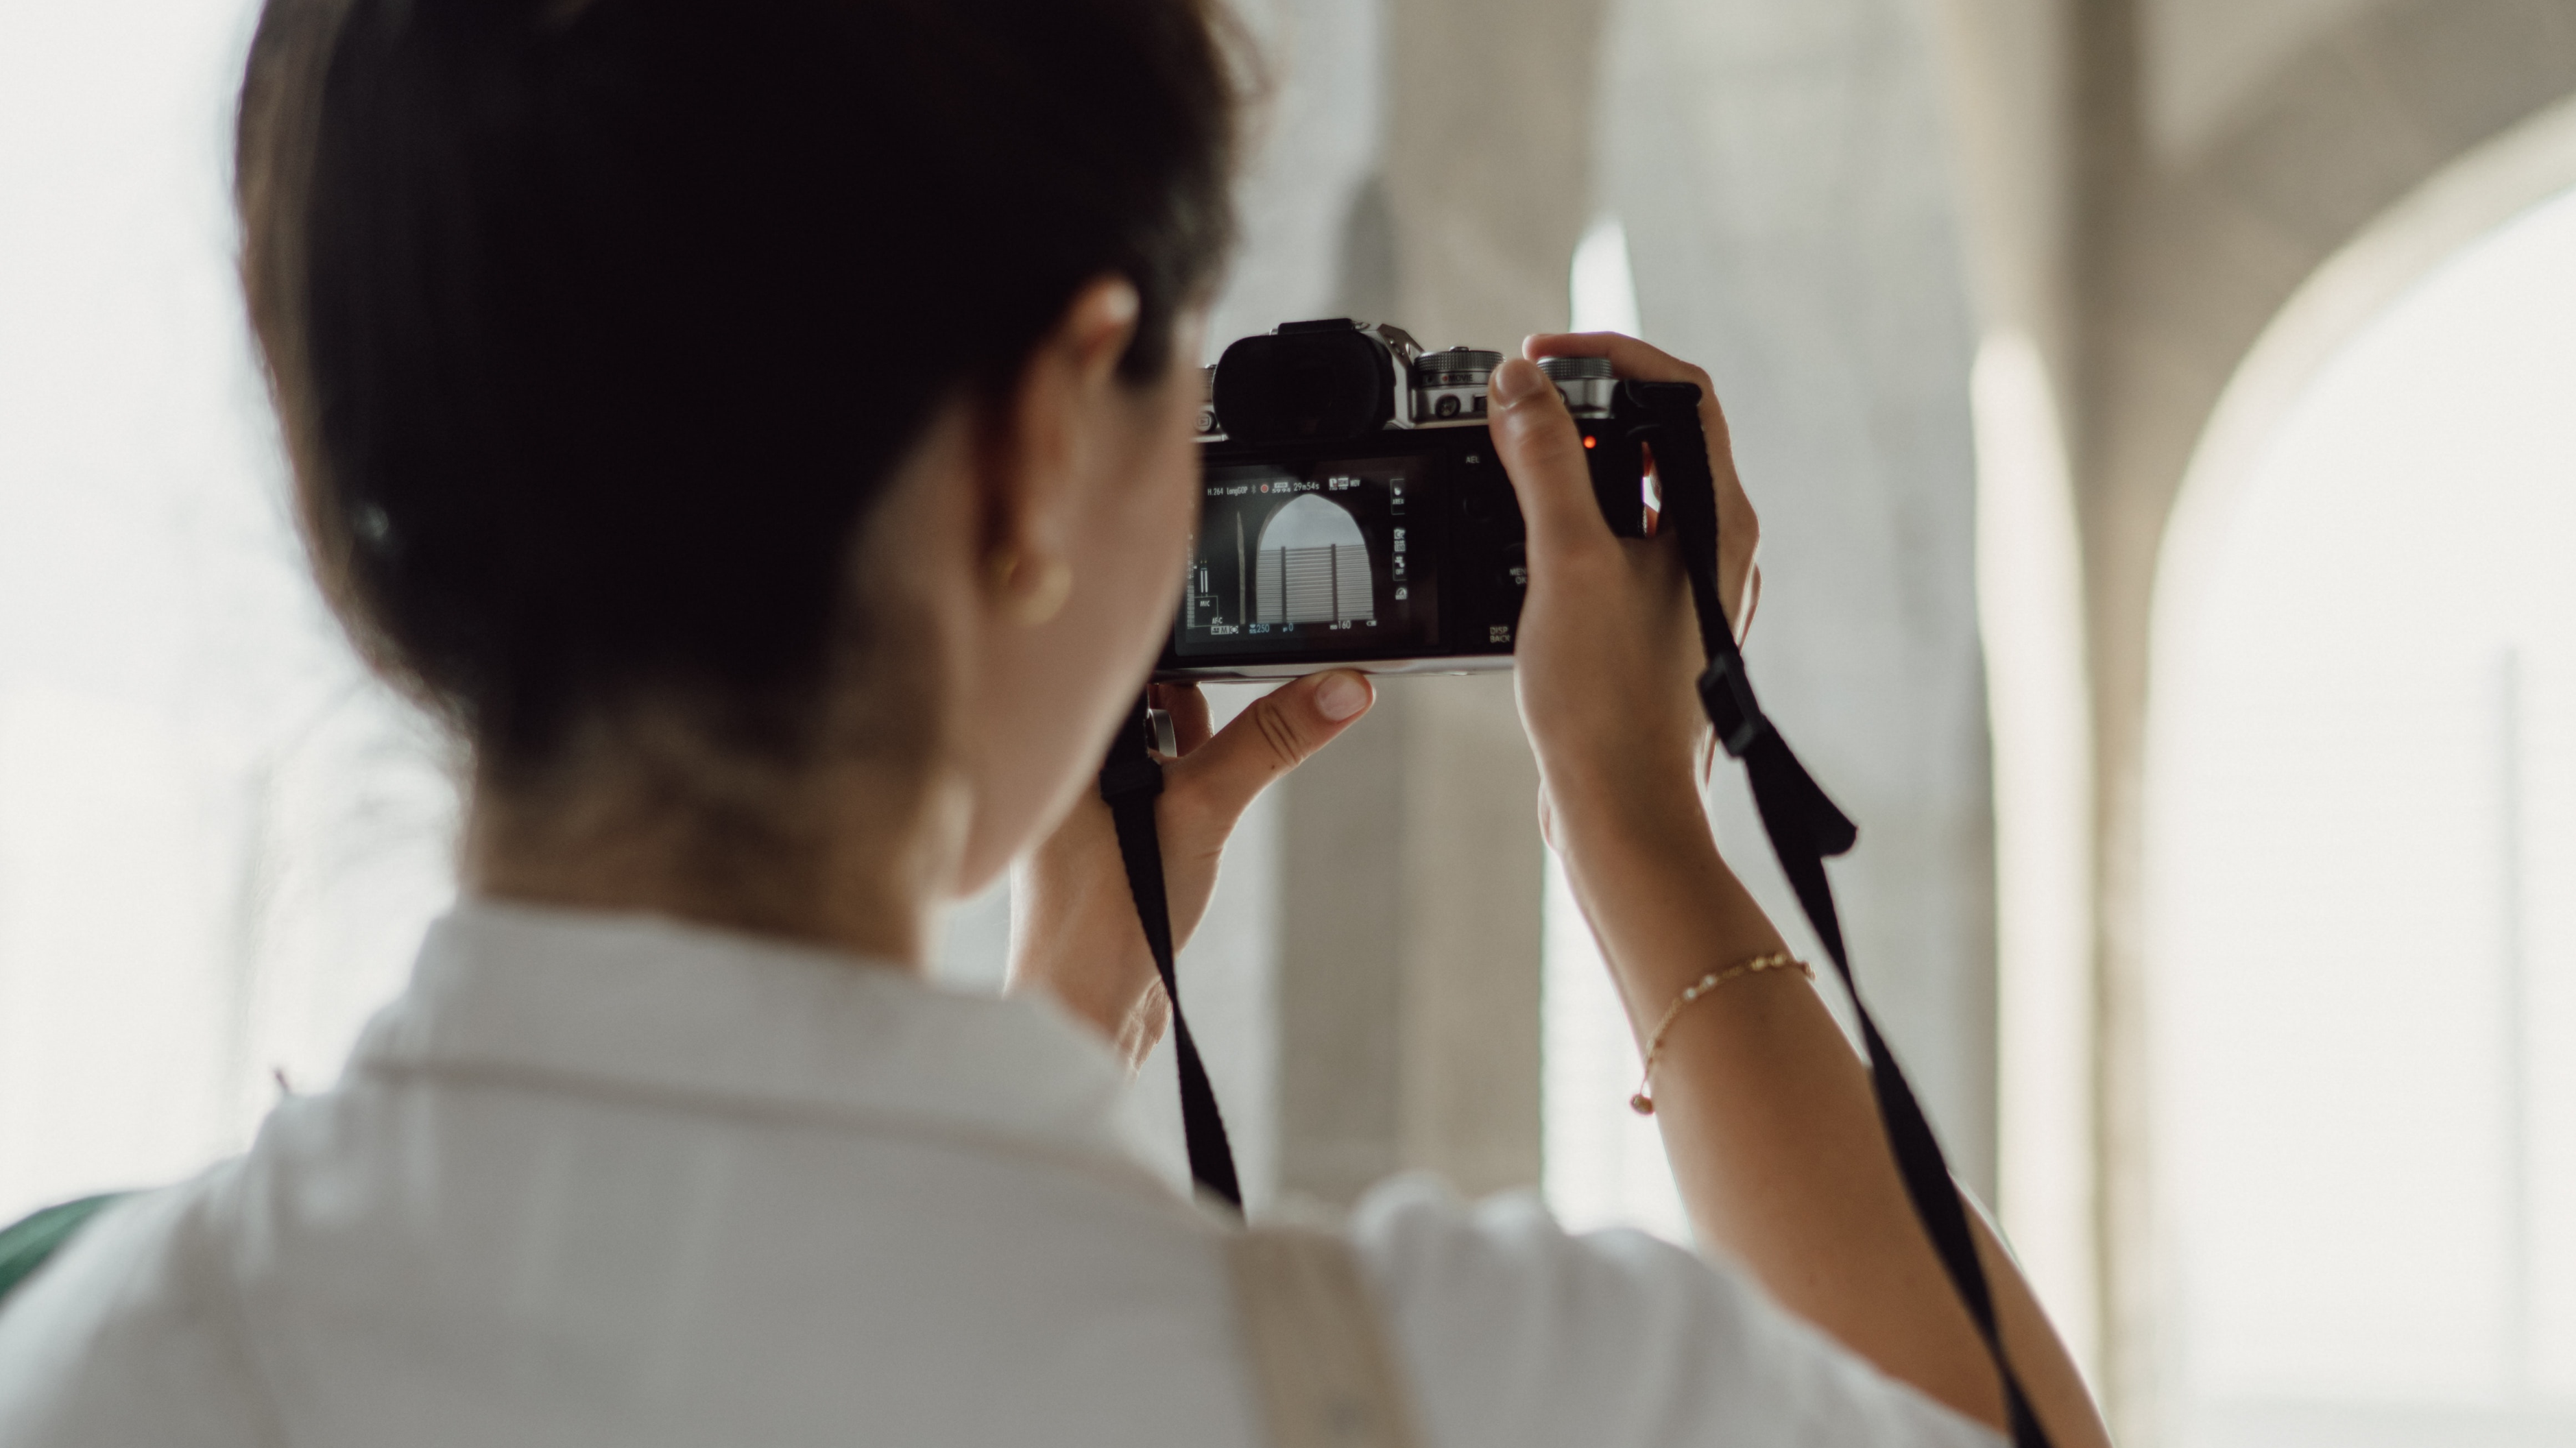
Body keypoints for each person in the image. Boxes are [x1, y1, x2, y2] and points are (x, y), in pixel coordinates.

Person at [0, 0, 2111, 1444]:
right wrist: (1641, 822)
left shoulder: (79, 1347)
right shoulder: (1467, 1384)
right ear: (1028, 448)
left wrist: (1057, 1008)